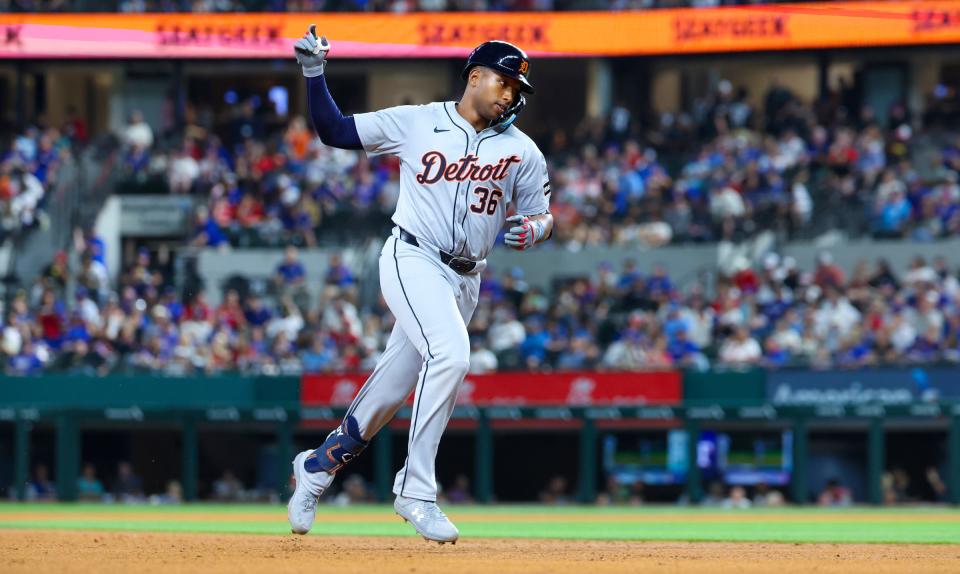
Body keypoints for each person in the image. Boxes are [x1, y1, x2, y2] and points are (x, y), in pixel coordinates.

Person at [287, 27, 553, 545]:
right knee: (451, 356)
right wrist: (315, 73)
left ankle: (317, 466)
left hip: (465, 278)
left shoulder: (523, 151)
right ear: (475, 76)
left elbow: (543, 215)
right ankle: (417, 491)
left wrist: (536, 229)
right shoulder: (419, 121)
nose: (511, 95)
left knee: (389, 388)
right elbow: (336, 131)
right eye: (504, 83)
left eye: (518, 91)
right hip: (412, 255)